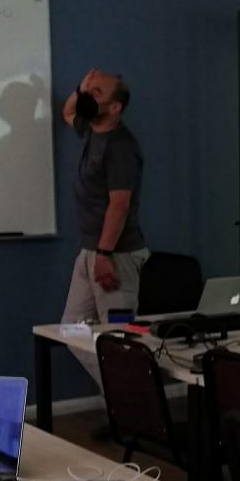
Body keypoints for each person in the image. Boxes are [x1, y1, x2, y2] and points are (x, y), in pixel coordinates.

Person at [61, 67, 149, 384]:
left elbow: (120, 204)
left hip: (115, 257)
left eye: (96, 93)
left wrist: (104, 254)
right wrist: (82, 85)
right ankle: (123, 405)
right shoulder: (90, 130)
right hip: (91, 252)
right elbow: (67, 111)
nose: (87, 97)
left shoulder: (120, 147)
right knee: (72, 329)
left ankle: (136, 417)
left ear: (115, 108)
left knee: (119, 342)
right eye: (88, 91)